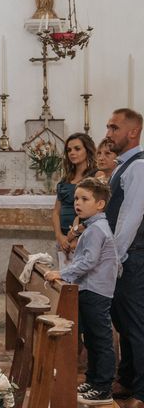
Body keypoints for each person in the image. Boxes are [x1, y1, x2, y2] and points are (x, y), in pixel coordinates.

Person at [45, 177, 118, 404]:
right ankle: (93, 380)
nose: (78, 203)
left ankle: (103, 387)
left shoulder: (97, 229)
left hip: (97, 291)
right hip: (89, 288)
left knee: (100, 339)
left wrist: (62, 274)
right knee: (92, 339)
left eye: (85, 199)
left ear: (100, 204)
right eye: (76, 198)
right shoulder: (91, 227)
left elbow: (88, 262)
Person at [104, 108, 144, 407]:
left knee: (135, 325)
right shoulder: (123, 165)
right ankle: (128, 379)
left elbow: (130, 217)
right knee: (123, 323)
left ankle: (142, 392)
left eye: (114, 128)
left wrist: (114, 258)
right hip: (123, 257)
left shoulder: (139, 167)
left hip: (132, 257)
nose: (108, 133)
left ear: (133, 131)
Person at [52, 133, 96, 266]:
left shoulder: (95, 175)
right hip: (63, 238)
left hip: (83, 237)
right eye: (69, 150)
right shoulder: (65, 179)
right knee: (63, 280)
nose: (72, 153)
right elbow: (56, 212)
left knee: (79, 282)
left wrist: (75, 237)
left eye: (77, 149)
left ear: (87, 150)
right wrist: (59, 236)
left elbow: (96, 211)